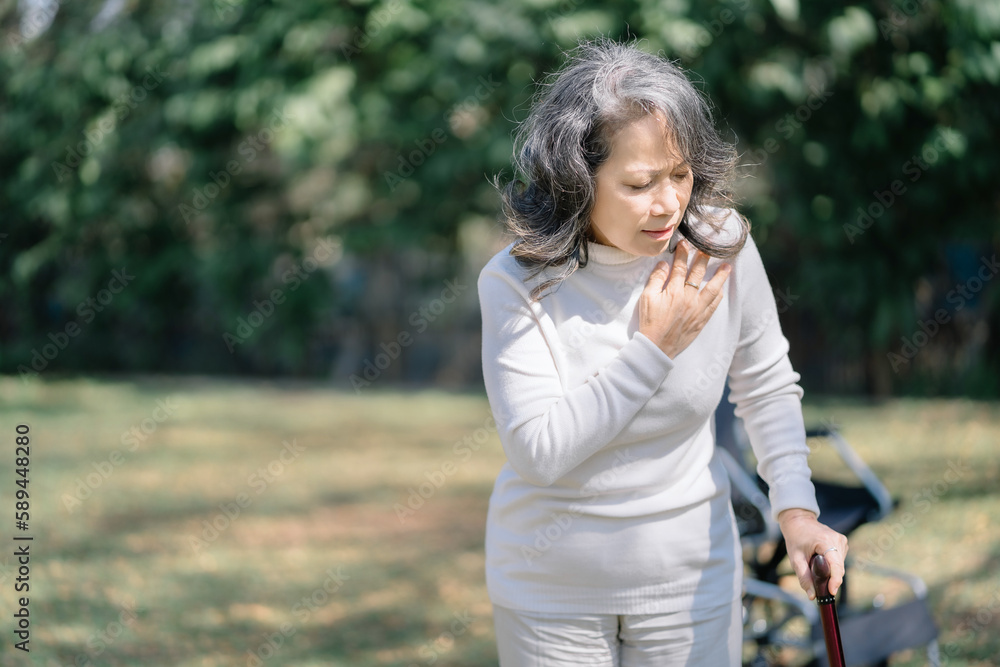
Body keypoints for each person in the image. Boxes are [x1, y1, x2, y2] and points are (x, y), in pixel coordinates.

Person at [476, 39, 849, 665]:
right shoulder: (517, 281)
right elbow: (538, 452)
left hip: (690, 581)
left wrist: (796, 511)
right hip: (551, 594)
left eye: (680, 174)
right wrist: (654, 347)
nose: (670, 203)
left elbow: (765, 384)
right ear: (576, 179)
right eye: (640, 183)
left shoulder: (720, 245)